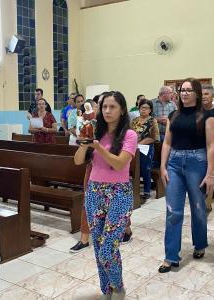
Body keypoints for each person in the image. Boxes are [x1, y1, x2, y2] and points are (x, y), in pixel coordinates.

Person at [74, 91, 137, 299]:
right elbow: (77, 161)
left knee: (108, 249)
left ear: (122, 110)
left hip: (119, 193)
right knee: (99, 246)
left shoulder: (129, 135)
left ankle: (118, 287)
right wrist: (84, 144)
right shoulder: (94, 131)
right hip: (94, 192)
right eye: (104, 107)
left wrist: (98, 147)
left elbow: (119, 163)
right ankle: (106, 289)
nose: (107, 111)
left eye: (112, 107)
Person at [159, 78, 214, 273]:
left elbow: (211, 147)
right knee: (173, 211)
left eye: (188, 90)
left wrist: (210, 174)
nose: (184, 93)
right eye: (182, 90)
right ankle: (170, 256)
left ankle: (199, 243)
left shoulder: (207, 117)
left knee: (198, 208)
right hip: (174, 162)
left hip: (197, 162)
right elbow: (167, 142)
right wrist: (163, 166)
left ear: (197, 93)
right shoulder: (173, 115)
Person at [131, 99, 159, 201]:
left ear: (150, 110)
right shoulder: (134, 120)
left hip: (146, 148)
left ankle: (146, 191)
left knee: (145, 169)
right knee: (135, 169)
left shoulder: (152, 121)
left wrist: (139, 144)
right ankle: (135, 190)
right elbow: (130, 133)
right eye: (142, 107)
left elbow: (154, 137)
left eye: (146, 108)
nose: (143, 110)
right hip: (134, 148)